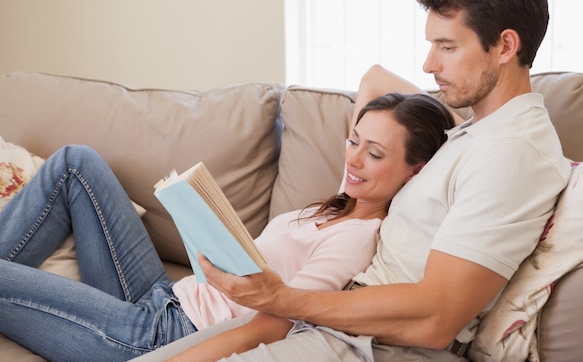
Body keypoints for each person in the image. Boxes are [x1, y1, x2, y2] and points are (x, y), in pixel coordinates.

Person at [159, 0, 572, 362]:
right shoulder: (481, 131)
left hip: (371, 344)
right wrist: (470, 106)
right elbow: (376, 79)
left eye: (447, 46)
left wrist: (283, 297)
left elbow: (438, 317)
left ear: (505, 45)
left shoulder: (513, 153)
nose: (429, 65)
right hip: (338, 320)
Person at [0, 91, 454, 361]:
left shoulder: (357, 238)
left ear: (417, 172)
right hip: (165, 295)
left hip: (162, 336)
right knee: (76, 164)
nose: (353, 159)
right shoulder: (340, 203)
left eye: (374, 154)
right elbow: (377, 80)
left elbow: (273, 326)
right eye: (353, 141)